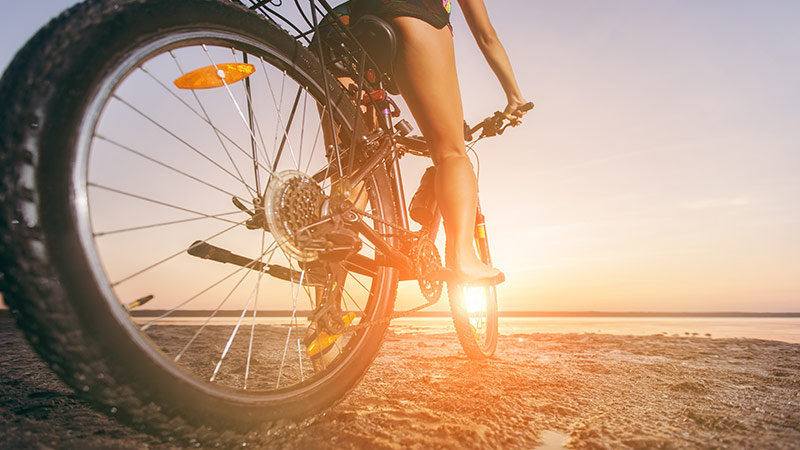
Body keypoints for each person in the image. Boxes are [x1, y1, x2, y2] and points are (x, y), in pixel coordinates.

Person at [349, 0, 529, 285]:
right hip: (411, 13)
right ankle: (464, 259)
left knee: (355, 164)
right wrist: (514, 96)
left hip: (347, 22)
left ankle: (330, 252)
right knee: (451, 152)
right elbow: (486, 36)